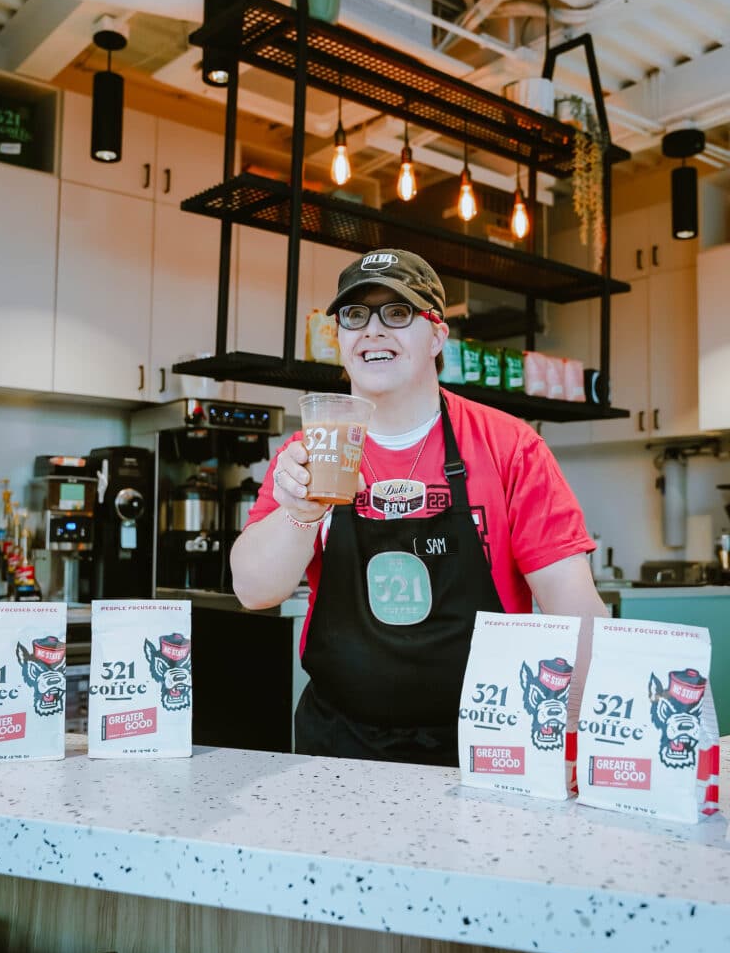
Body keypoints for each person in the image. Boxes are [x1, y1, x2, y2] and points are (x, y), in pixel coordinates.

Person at [231, 248, 608, 766]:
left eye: (398, 312)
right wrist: (302, 511)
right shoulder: (313, 449)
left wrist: (578, 736)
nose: (373, 330)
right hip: (340, 747)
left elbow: (574, 606)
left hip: (487, 745)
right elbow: (253, 591)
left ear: (436, 335)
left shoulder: (508, 446)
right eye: (355, 316)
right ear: (339, 339)